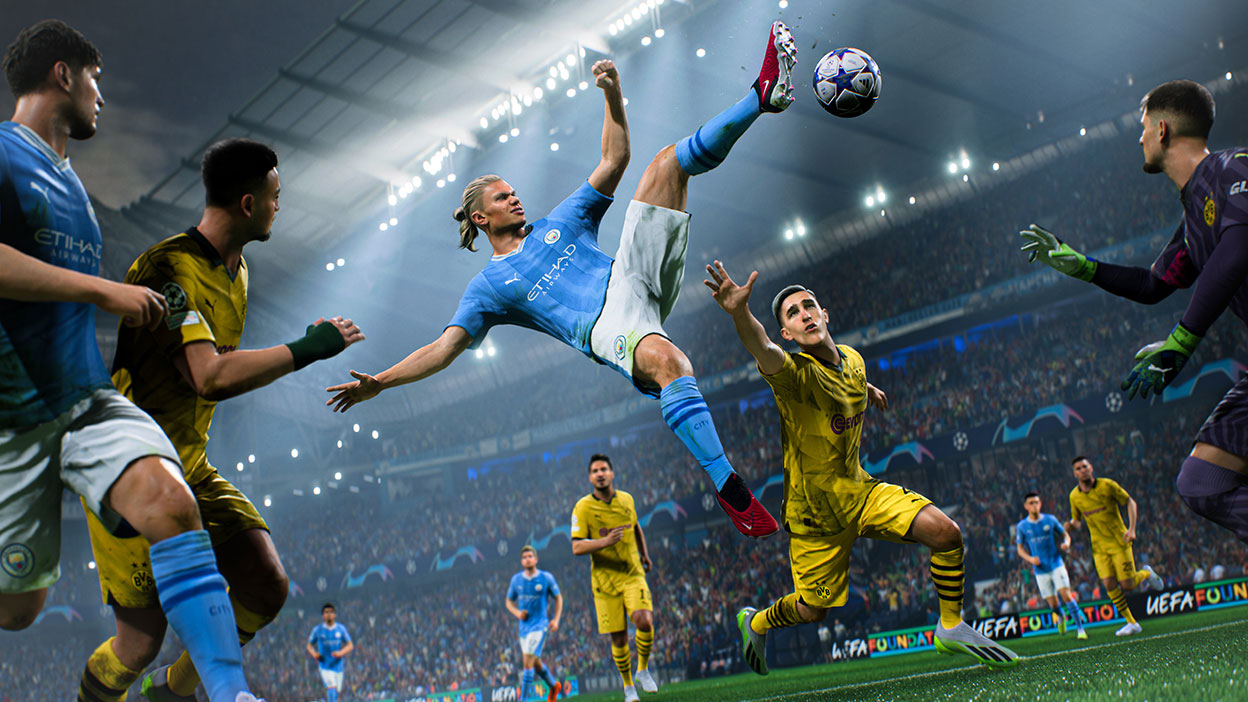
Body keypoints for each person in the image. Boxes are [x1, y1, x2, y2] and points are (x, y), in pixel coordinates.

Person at [327, 22, 804, 538]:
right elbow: (443, 350)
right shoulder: (488, 287)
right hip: (606, 327)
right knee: (671, 363)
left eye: (512, 192)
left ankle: (762, 96)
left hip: (632, 275)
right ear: (481, 219)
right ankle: (728, 484)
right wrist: (382, 381)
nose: (514, 198)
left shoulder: (562, 220)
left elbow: (614, 159)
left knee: (667, 163)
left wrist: (614, 97)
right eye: (501, 197)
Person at [0, 20, 262, 702]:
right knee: (17, 609)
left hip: (87, 401)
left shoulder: (74, 190)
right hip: (10, 418)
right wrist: (103, 290)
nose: (100, 97)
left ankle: (228, 692)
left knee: (172, 504)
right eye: (95, 80)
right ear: (63, 74)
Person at [69, 137, 363, 701]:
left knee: (265, 585)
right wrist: (308, 347)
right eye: (276, 196)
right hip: (130, 468)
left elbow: (218, 366)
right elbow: (209, 376)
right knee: (139, 644)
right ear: (249, 204)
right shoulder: (166, 268)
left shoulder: (240, 271)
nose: (282, 205)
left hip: (191, 464)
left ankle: (172, 696)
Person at [701, 264, 1019, 673]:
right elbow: (762, 348)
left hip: (860, 492)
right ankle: (757, 621)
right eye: (793, 314)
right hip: (815, 516)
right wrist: (739, 314)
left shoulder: (853, 360)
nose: (805, 315)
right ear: (788, 334)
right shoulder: (792, 376)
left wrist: (868, 389)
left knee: (946, 533)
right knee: (813, 611)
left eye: (809, 305)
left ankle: (952, 625)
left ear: (825, 313)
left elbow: (847, 379)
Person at [1019, 79, 1248, 542]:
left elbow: (1240, 242)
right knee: (1201, 483)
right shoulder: (1192, 222)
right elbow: (1153, 284)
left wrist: (1182, 339)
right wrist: (1083, 267)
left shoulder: (1233, 168)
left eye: (1142, 128)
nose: (1139, 138)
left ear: (1162, 129)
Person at [571, 454, 658, 701]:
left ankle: (642, 670)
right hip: (604, 583)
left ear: (612, 473)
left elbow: (636, 526)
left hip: (632, 574)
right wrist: (604, 542)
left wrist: (645, 554)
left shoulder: (627, 500)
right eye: (595, 471)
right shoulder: (583, 507)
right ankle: (628, 686)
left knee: (644, 620)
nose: (600, 474)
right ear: (590, 477)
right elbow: (576, 547)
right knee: (618, 637)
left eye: (604, 469)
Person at [1065, 456, 1162, 636]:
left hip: (1119, 541)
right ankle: (1132, 623)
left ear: (1091, 468)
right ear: (1074, 473)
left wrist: (1132, 528)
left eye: (1085, 466)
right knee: (1109, 584)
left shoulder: (1107, 485)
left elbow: (1130, 502)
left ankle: (1147, 573)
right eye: (1078, 468)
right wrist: (1071, 526)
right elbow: (1077, 521)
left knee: (1128, 585)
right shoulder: (1074, 496)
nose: (1082, 470)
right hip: (1099, 548)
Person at [1015, 491, 1086, 639]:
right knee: (1053, 605)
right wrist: (1030, 559)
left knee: (1066, 595)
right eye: (1031, 503)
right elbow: (1020, 550)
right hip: (1040, 569)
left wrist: (1066, 543)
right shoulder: (1022, 526)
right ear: (1026, 506)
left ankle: (1080, 629)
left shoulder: (1050, 520)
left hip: (1056, 563)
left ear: (1040, 504)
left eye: (1036, 502)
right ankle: (1060, 616)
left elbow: (1065, 534)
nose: (1034, 505)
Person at [505, 545, 564, 702]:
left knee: (527, 661)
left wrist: (556, 619)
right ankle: (553, 686)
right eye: (524, 557)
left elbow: (558, 598)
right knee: (536, 663)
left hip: (540, 626)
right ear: (521, 561)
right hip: (524, 628)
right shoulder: (516, 580)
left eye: (530, 556)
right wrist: (517, 613)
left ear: (536, 559)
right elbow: (508, 601)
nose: (527, 559)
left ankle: (523, 699)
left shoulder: (546, 578)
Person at [306, 603, 354, 702]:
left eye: (331, 612)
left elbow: (350, 645)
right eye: (326, 612)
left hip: (338, 666)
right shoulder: (318, 630)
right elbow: (309, 646)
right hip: (325, 665)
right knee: (331, 688)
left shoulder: (341, 629)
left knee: (337, 691)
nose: (329, 614)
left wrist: (341, 653)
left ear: (335, 615)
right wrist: (315, 654)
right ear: (323, 615)